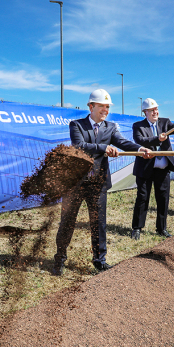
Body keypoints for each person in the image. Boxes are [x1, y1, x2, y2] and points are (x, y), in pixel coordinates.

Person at [52, 89, 153, 276]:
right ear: (91, 106)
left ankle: (100, 260)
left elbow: (123, 143)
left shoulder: (110, 127)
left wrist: (140, 148)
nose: (105, 110)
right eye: (101, 106)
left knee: (99, 223)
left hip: (98, 183)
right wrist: (104, 148)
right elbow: (79, 146)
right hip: (76, 182)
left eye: (107, 107)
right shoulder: (77, 125)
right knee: (67, 222)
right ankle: (59, 259)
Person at [130, 98, 174, 240]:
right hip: (145, 169)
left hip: (162, 169)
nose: (155, 112)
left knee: (163, 198)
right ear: (145, 112)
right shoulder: (138, 126)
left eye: (156, 109)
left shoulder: (164, 122)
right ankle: (137, 228)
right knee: (142, 198)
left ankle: (161, 228)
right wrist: (158, 139)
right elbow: (141, 141)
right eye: (151, 110)